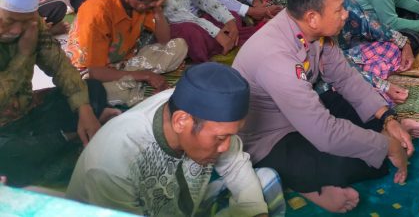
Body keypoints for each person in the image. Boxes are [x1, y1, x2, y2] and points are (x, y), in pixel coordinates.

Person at [233, 0, 419, 213]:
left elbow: (346, 79)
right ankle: (310, 187)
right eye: (339, 10)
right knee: (366, 162)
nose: (346, 15)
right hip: (270, 137)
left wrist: (387, 118)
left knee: (362, 118)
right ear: (312, 17)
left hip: (303, 111)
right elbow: (324, 132)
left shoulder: (313, 32)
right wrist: (386, 147)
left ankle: (387, 132)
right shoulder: (275, 58)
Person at [67, 62, 285, 217]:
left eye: (231, 135)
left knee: (266, 182)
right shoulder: (114, 161)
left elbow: (236, 165)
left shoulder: (188, 107)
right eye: (220, 138)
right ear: (182, 122)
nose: (226, 146)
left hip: (184, 203)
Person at [0, 0, 114, 187]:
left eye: (24, 23)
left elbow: (59, 65)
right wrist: (23, 55)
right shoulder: (25, 33)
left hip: (27, 114)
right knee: (9, 154)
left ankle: (63, 145)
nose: (16, 30)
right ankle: (68, 142)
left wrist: (85, 109)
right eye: (9, 21)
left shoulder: (33, 25)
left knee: (91, 90)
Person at [296, 0, 416, 105]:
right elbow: (332, 62)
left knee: (391, 48)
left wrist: (403, 42)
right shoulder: (312, 7)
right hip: (325, 74)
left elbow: (366, 21)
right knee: (370, 99)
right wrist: (383, 86)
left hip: (347, 51)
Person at [64, 0, 188, 106]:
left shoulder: (143, 4)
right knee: (104, 93)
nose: (152, 5)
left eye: (158, 0)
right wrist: (144, 75)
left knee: (180, 46)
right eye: (150, 1)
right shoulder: (96, 13)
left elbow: (164, 40)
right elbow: (95, 71)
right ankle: (134, 87)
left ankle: (134, 85)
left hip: (127, 62)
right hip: (92, 74)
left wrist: (157, 9)